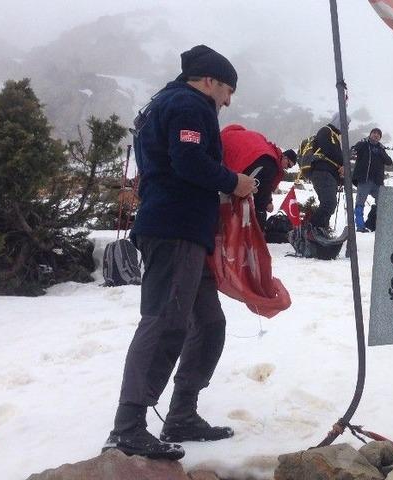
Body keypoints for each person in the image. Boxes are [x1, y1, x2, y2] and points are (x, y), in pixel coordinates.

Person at [103, 45, 256, 461]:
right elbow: (188, 161)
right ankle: (128, 426)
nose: (228, 101)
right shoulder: (189, 104)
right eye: (227, 90)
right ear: (209, 81)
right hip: (175, 229)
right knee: (165, 321)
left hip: (187, 231)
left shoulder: (165, 104)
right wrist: (233, 181)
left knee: (208, 323)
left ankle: (182, 414)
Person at [221, 123, 296, 224]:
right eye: (288, 165)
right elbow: (258, 189)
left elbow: (262, 184)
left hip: (226, 147)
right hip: (223, 152)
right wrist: (262, 213)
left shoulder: (268, 151)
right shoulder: (270, 162)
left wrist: (268, 201)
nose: (287, 168)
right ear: (285, 157)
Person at [309, 112, 348, 235]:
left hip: (327, 173)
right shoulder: (326, 131)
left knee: (328, 203)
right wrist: (344, 162)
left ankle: (320, 230)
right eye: (345, 123)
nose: (346, 126)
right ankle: (312, 230)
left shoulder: (334, 136)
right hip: (323, 172)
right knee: (329, 203)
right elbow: (329, 150)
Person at [351, 127, 392, 232]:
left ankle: (380, 225)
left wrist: (381, 150)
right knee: (360, 202)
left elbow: (389, 161)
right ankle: (360, 226)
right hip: (364, 179)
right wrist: (362, 142)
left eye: (378, 134)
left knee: (382, 203)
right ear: (370, 134)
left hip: (377, 182)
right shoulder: (364, 144)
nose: (376, 135)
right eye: (374, 133)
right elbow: (354, 150)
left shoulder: (381, 149)